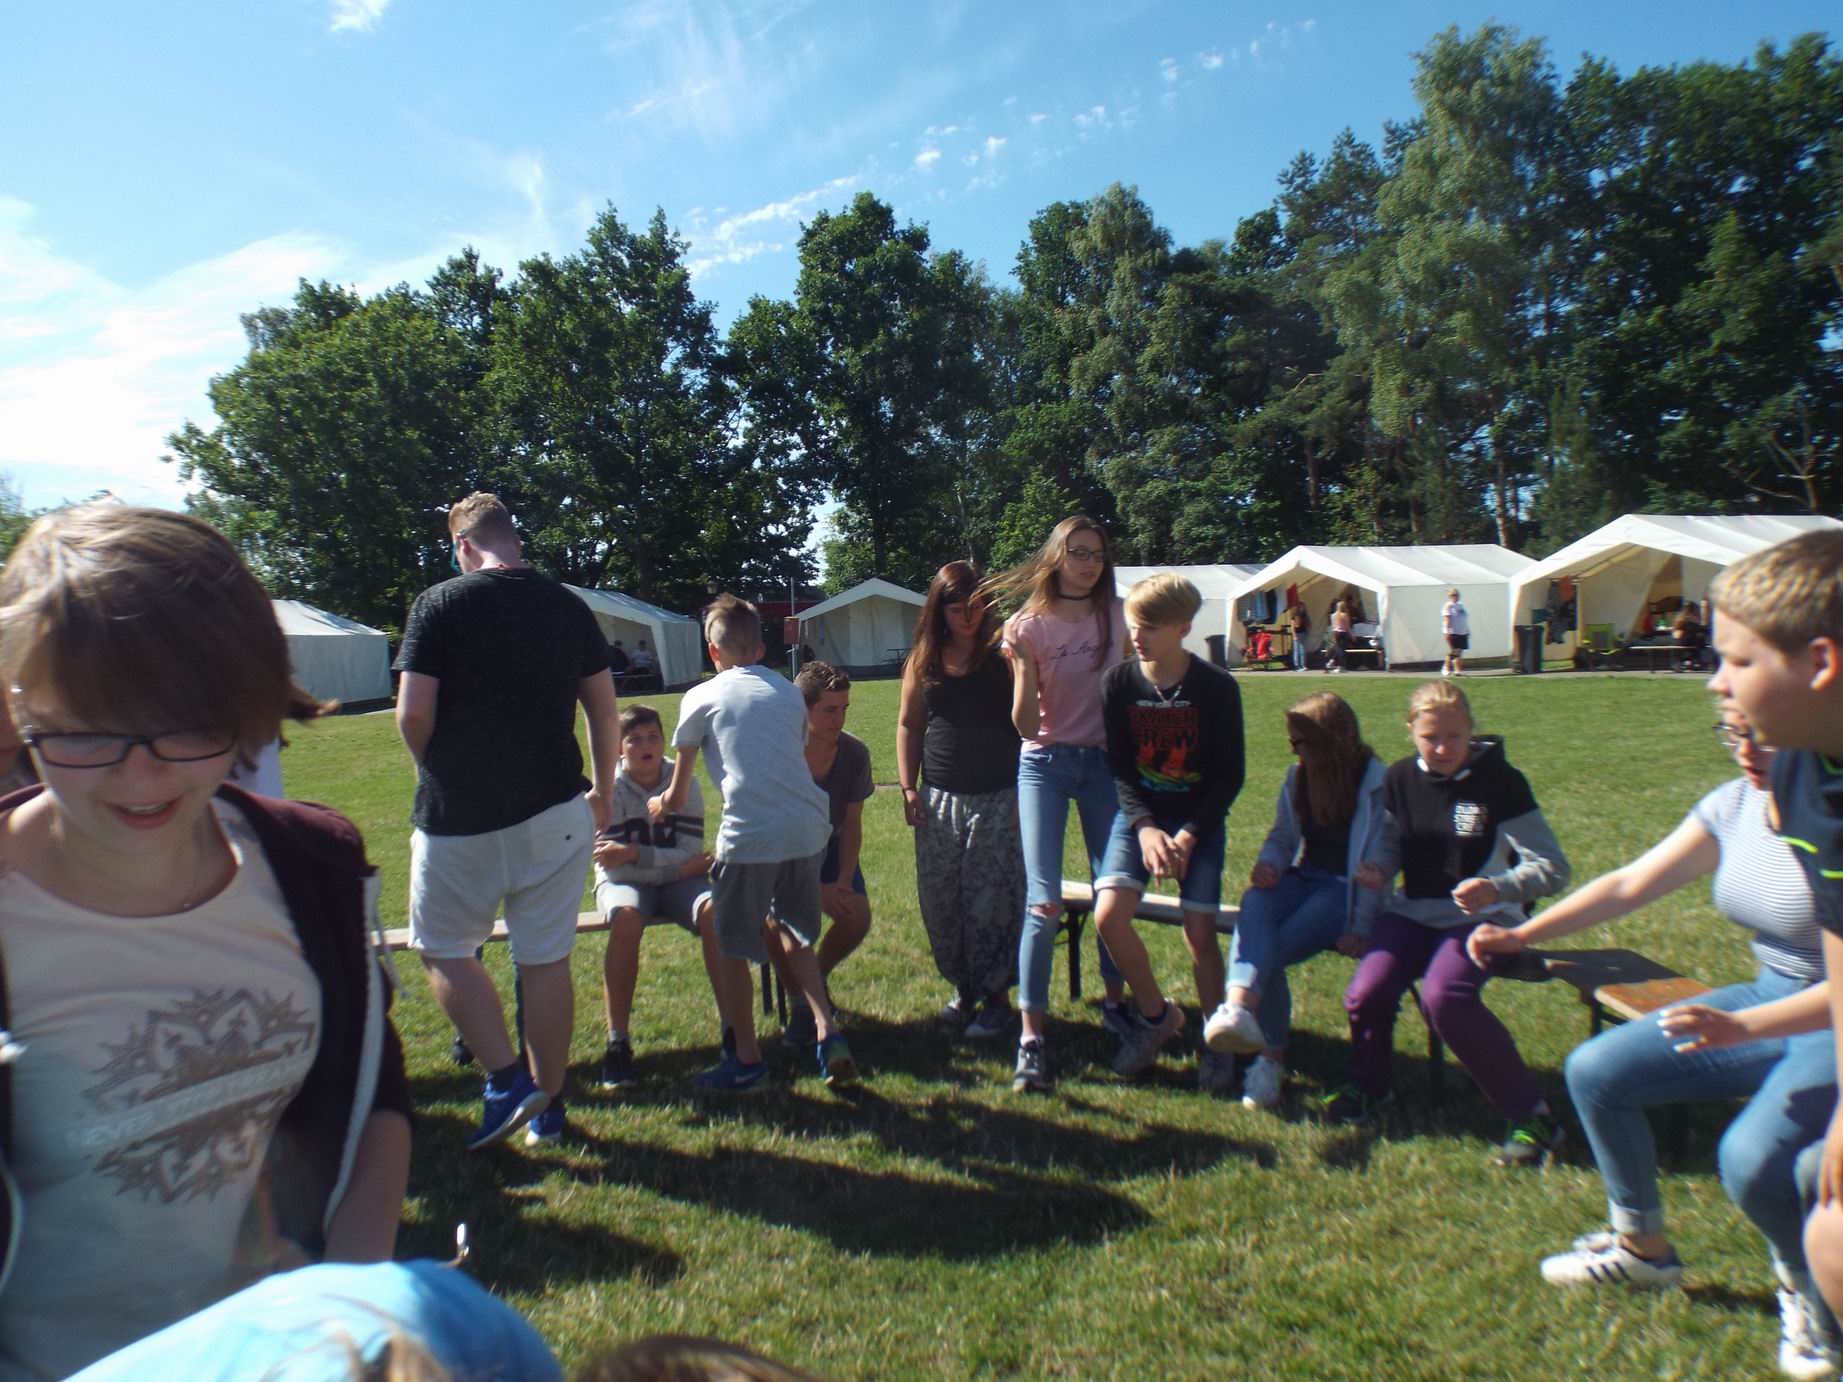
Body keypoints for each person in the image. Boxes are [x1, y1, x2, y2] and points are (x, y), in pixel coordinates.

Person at [0, 504, 412, 1378]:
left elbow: (375, 1091)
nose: (141, 773)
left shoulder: (309, 862)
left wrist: (346, 1305)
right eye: (87, 727)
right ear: (20, 706)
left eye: (187, 722)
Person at [1469, 708, 1837, 1377]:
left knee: (1752, 1158)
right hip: (1766, 993)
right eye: (1732, 732)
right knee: (1598, 1071)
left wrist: (1740, 1028)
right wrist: (1521, 934)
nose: (1745, 748)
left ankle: (1808, 1294)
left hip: (1829, 1019)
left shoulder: (1829, 815)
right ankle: (1643, 1250)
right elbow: (1629, 884)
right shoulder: (1733, 805)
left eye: (1762, 732)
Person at [394, 491, 620, 1150]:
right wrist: (604, 791)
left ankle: (505, 1080)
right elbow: (604, 711)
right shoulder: (567, 606)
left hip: (459, 817)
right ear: (513, 539)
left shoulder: (438, 604)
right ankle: (548, 1109)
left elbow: (413, 713)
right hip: (556, 811)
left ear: (463, 545)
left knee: (442, 947)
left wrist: (430, 769)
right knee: (544, 960)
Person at [1324, 679, 1572, 1166]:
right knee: (1366, 993)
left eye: (1454, 737)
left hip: (1483, 918)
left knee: (1445, 998)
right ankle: (1370, 1086)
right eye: (1430, 738)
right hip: (1414, 910)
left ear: (1471, 730)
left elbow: (1553, 868)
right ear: (1410, 732)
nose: (1442, 748)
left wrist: (1497, 888)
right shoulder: (1398, 779)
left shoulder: (1501, 782)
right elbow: (1391, 844)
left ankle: (1534, 1116)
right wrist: (1379, 868)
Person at [1704, 531, 1843, 1321]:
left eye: (1736, 660)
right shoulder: (1796, 768)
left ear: (1819, 661)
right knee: (1826, 1231)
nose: (1715, 683)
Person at [650, 594, 858, 1089]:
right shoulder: (788, 693)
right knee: (797, 935)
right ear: (761, 648)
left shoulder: (700, 697)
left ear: (712, 651)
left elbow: (677, 793)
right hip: (808, 828)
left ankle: (746, 1062)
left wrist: (658, 805)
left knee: (729, 945)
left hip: (750, 834)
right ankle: (828, 1033)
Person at [990, 516, 1130, 1094]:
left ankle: (1117, 1007)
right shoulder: (1026, 627)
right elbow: (1026, 726)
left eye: (1097, 553)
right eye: (1078, 552)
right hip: (1044, 764)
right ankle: (1031, 1038)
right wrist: (1024, 664)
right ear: (1056, 556)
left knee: (1112, 893)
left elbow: (1130, 695)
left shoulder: (1117, 616)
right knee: (1043, 903)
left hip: (1104, 766)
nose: (1090, 563)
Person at [1094, 575, 1245, 1084]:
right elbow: (1119, 766)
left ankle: (1217, 1041)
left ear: (1183, 627)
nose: (1137, 637)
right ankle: (1157, 1018)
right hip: (1140, 819)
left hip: (1199, 823)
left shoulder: (1217, 687)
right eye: (1133, 625)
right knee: (1109, 916)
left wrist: (1187, 836)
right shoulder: (1117, 683)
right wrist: (1144, 829)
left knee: (1199, 933)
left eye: (1151, 627)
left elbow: (1230, 776)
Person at [1207, 693, 1389, 1109]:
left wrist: (1361, 927)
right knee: (1255, 902)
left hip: (1344, 891)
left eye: (1299, 742)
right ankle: (1238, 1011)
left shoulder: (1377, 784)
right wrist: (1269, 865)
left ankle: (1269, 1058)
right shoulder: (1298, 778)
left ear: (1329, 739)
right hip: (1304, 877)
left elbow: (1378, 864)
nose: (1293, 751)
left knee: (1266, 951)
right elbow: (1282, 838)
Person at [897, 561, 1026, 1038]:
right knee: (942, 901)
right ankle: (964, 989)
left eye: (975, 606)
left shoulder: (1005, 654)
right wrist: (909, 787)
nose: (967, 617)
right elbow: (909, 724)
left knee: (992, 901)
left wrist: (1025, 794)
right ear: (939, 611)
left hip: (1000, 796)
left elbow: (1032, 726)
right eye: (956, 609)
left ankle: (997, 999)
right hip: (939, 800)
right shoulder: (923, 660)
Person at [592, 704, 717, 1090]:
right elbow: (615, 867)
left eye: (653, 738)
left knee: (715, 911)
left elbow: (690, 851)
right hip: (627, 885)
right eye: (634, 740)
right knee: (627, 918)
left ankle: (734, 1034)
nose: (646, 746)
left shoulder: (682, 781)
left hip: (677, 885)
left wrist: (634, 854)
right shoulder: (607, 789)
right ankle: (618, 1043)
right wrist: (675, 870)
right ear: (618, 748)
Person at [771, 662, 874, 1049]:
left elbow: (852, 823)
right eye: (830, 710)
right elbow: (772, 832)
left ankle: (816, 976)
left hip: (830, 847)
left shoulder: (854, 753)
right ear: (802, 709)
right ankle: (802, 1006)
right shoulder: (780, 753)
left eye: (844, 709)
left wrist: (843, 880)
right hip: (783, 851)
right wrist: (813, 890)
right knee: (775, 922)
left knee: (857, 916)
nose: (839, 719)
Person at [1442, 588, 1469, 677]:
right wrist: (1448, 632)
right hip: (1453, 632)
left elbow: (1463, 619)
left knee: (1459, 652)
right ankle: (1446, 668)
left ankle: (1457, 671)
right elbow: (1447, 619)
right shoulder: (1448, 606)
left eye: (1457, 595)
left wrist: (1467, 630)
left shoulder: (1461, 605)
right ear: (1450, 596)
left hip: (1462, 632)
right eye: (1453, 595)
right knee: (1453, 651)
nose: (1456, 597)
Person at [1673, 604, 1705, 673]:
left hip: (1682, 641)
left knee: (1696, 646)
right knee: (1698, 644)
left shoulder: (1680, 618)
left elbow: (1676, 635)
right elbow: (1699, 630)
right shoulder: (1692, 619)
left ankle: (1694, 662)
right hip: (1687, 641)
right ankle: (1696, 662)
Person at [1325, 601, 1352, 675]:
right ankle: (1339, 667)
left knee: (1338, 649)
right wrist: (1351, 635)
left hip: (1335, 633)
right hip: (1343, 633)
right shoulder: (1344, 615)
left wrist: (1333, 635)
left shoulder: (1333, 615)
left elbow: (1333, 626)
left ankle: (1331, 662)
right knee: (1341, 650)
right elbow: (1347, 626)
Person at [1288, 604, 1310, 672]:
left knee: (1302, 650)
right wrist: (1294, 635)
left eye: (1303, 607)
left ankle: (1303, 665)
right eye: (1301, 607)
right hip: (1297, 633)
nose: (1302, 609)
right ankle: (1297, 666)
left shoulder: (1305, 616)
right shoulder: (1294, 616)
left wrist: (1308, 630)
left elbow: (1309, 624)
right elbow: (1293, 627)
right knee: (1296, 650)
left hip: (1303, 633)